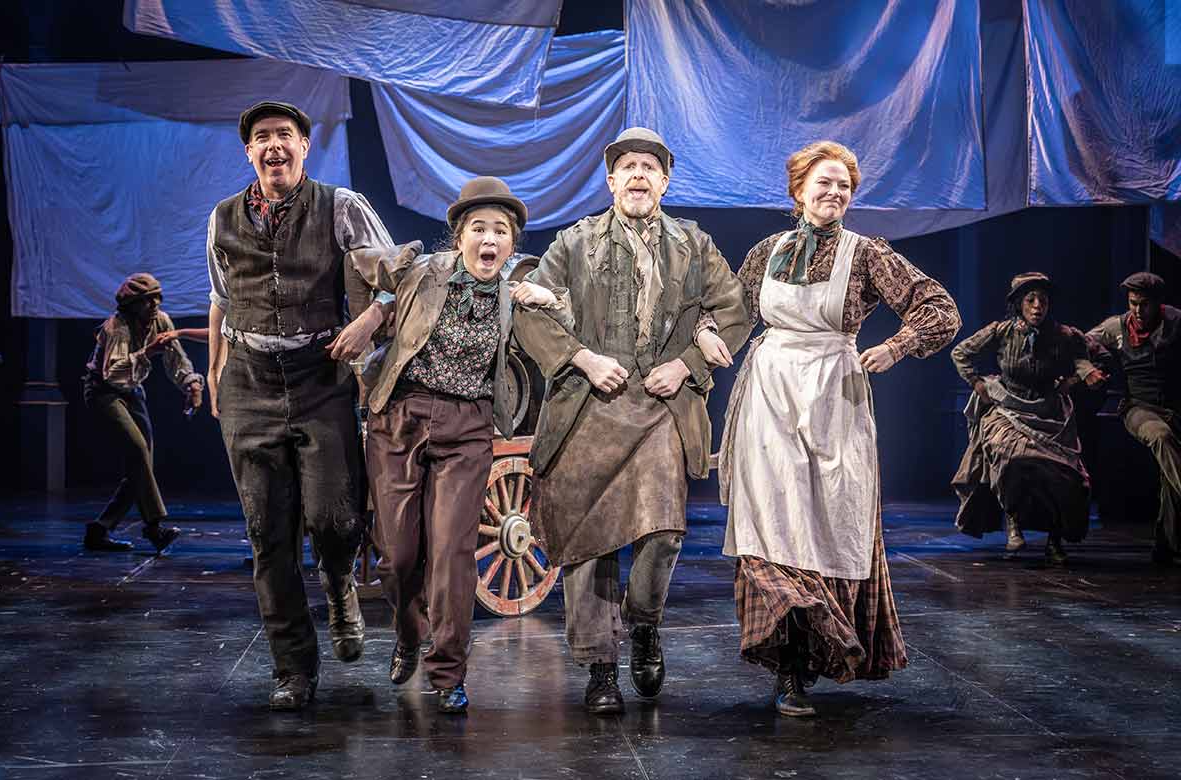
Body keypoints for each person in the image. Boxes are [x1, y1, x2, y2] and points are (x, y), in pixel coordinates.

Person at [697, 140, 960, 717]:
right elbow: (728, 310)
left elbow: (938, 308)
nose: (835, 192)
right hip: (768, 391)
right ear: (798, 190)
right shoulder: (768, 250)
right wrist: (707, 332)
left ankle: (817, 656)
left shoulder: (866, 254)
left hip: (834, 393)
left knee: (825, 521)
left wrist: (896, 346)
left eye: (844, 184)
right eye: (824, 182)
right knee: (771, 521)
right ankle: (789, 667)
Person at [514, 127, 750, 715]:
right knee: (590, 540)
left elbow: (734, 310)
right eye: (629, 167)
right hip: (589, 407)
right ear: (611, 179)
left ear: (665, 182)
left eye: (650, 167)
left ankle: (643, 625)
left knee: (664, 533)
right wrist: (584, 359)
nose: (639, 175)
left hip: (661, 406)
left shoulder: (694, 244)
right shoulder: (575, 241)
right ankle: (600, 666)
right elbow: (530, 312)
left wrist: (688, 363)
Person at [206, 100, 394, 711]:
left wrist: (369, 319)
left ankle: (339, 581)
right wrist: (214, 368)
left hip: (320, 377)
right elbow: (219, 296)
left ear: (305, 146)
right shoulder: (222, 218)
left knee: (335, 520)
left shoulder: (341, 207)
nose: (273, 146)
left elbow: (399, 280)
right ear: (249, 152)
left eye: (284, 135)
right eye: (261, 137)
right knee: (268, 535)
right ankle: (293, 670)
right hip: (250, 383)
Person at [350, 177, 562, 714]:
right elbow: (365, 266)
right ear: (459, 236)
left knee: (452, 555)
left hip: (469, 424)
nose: (489, 240)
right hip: (401, 414)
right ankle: (407, 631)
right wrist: (372, 315)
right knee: (397, 557)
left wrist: (551, 297)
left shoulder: (522, 286)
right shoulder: (424, 270)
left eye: (500, 232)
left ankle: (447, 671)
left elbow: (570, 303)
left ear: (512, 243)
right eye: (478, 229)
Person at [950, 273, 1103, 564]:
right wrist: (977, 383)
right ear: (1019, 304)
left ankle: (1055, 538)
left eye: (1042, 301)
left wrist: (1077, 378)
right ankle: (1014, 522)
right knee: (1009, 459)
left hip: (1049, 413)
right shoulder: (1003, 331)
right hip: (1008, 409)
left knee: (1066, 477)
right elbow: (961, 352)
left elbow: (1086, 358)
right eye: (1030, 300)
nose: (1037, 307)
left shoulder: (1064, 335)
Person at [81, 273, 200, 553]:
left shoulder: (161, 320)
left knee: (141, 463)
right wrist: (148, 351)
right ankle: (155, 527)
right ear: (133, 304)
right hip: (104, 391)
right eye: (147, 300)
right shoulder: (116, 327)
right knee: (138, 450)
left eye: (157, 297)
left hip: (132, 390)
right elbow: (112, 373)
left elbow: (175, 358)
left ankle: (100, 530)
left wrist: (191, 384)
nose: (155, 304)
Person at [1086, 271, 1181, 565]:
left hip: (1176, 409)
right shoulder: (1116, 327)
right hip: (1139, 408)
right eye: (1132, 303)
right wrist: (1090, 368)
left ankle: (1167, 546)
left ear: (1158, 304)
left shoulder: (1176, 321)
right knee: (1161, 437)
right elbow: (1079, 343)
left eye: (1144, 304)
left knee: (1170, 473)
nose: (1138, 311)